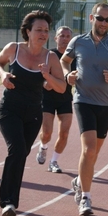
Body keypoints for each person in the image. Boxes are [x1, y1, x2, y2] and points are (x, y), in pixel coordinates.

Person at [0, 10, 66, 216]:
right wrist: (3, 74)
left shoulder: (50, 57)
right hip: (9, 109)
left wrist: (47, 77)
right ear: (28, 31)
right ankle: (8, 201)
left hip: (33, 114)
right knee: (16, 150)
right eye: (39, 30)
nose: (43, 34)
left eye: (46, 30)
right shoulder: (14, 48)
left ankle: (9, 199)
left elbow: (61, 87)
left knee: (21, 154)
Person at [61, 3, 108, 216]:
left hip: (106, 104)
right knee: (89, 150)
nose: (104, 23)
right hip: (83, 99)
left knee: (94, 153)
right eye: (100, 18)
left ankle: (79, 180)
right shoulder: (78, 41)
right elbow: (64, 61)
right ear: (92, 18)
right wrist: (67, 75)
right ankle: (86, 197)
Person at [36, 26, 77, 173]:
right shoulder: (48, 55)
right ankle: (43, 146)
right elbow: (38, 76)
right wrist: (44, 83)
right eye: (62, 35)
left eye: (68, 36)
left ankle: (53, 161)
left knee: (64, 133)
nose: (65, 39)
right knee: (47, 133)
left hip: (65, 98)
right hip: (47, 98)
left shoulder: (74, 58)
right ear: (56, 38)